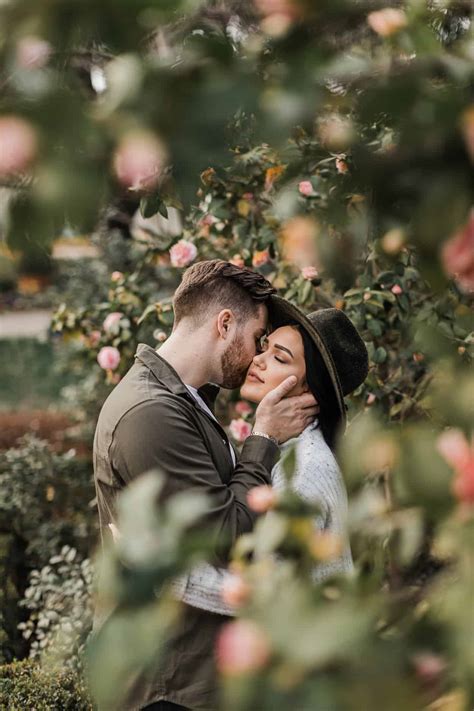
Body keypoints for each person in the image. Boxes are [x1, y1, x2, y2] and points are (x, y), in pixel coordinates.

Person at [93, 261, 318, 711]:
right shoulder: (151, 413)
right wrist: (265, 437)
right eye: (258, 340)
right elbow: (226, 537)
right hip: (166, 684)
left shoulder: (186, 403)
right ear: (225, 323)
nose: (257, 356)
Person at [178, 297, 369, 616]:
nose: (258, 360)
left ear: (310, 391)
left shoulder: (306, 469)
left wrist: (169, 577)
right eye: (264, 347)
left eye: (279, 358)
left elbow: (272, 595)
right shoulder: (285, 449)